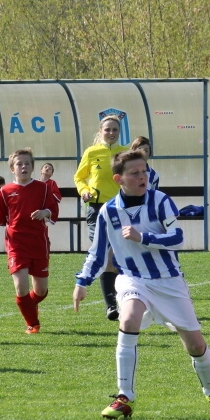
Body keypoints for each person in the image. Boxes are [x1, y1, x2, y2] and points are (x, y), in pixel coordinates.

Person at [73, 150, 210, 419]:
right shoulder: (108, 211)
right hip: (132, 278)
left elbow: (177, 238)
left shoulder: (160, 201)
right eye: (134, 173)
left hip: (169, 281)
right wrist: (82, 282)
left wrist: (142, 237)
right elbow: (97, 254)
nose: (142, 177)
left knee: (195, 345)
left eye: (144, 171)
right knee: (128, 318)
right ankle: (124, 397)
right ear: (119, 179)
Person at [0, 149, 59, 334]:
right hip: (16, 244)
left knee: (41, 291)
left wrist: (45, 212)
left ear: (33, 167)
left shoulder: (43, 188)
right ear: (12, 168)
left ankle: (28, 305)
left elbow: (53, 209)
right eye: (19, 164)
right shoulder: (5, 191)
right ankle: (33, 324)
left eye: (27, 163)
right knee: (21, 287)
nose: (23, 167)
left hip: (39, 243)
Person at [74, 116, 129, 321]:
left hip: (120, 210)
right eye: (107, 129)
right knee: (106, 255)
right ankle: (111, 305)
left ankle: (124, 298)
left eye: (115, 129)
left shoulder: (125, 154)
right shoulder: (91, 152)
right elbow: (79, 177)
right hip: (97, 210)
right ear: (101, 131)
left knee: (118, 257)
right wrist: (85, 191)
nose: (111, 133)